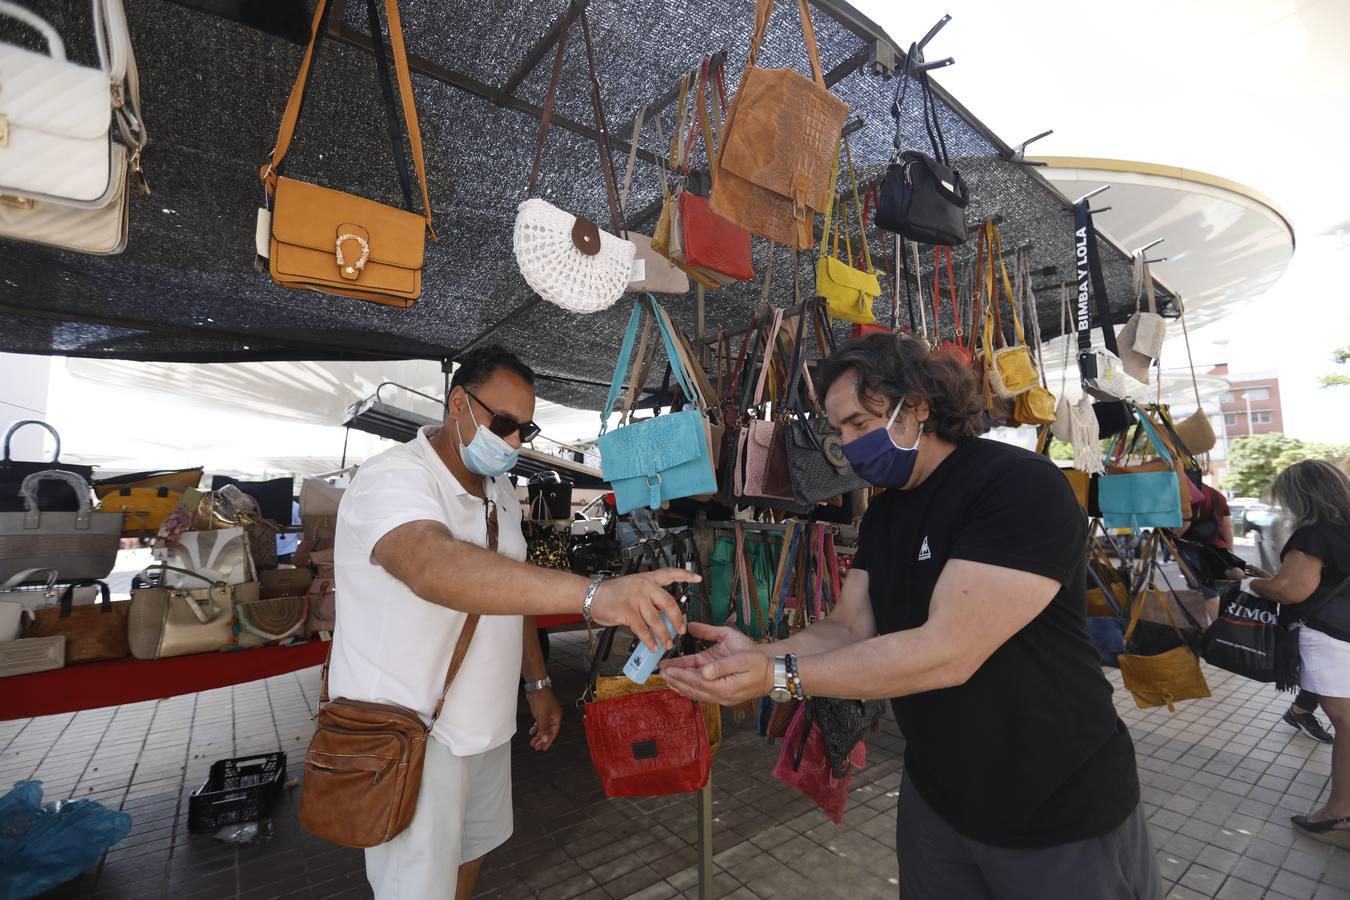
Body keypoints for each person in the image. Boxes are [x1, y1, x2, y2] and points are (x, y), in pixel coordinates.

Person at [662, 333, 1161, 899]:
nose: (847, 446)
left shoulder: (1017, 485)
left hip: (1055, 801)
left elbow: (947, 651)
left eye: (857, 424)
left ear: (917, 406)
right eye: (839, 431)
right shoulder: (887, 512)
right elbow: (849, 625)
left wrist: (780, 678)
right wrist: (758, 655)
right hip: (940, 795)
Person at [327, 345, 693, 900]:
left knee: (471, 855)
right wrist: (596, 595)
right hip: (411, 733)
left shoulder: (499, 489)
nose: (516, 442)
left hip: (485, 726)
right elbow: (433, 566)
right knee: (414, 887)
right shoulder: (394, 480)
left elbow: (506, 588)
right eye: (504, 423)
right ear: (458, 404)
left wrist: (538, 683)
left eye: (526, 428)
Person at [1248, 459, 1350, 845]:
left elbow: (1293, 591)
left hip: (1331, 637)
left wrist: (1254, 585)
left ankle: (1339, 812)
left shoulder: (1313, 535)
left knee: (1347, 723)